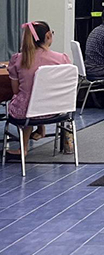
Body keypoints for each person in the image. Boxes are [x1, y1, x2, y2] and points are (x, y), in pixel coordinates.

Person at [6, 22, 71, 157]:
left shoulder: (18, 59)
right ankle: (41, 128)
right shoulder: (62, 59)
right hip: (56, 110)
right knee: (37, 100)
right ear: (48, 36)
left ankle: (23, 148)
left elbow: (16, 91)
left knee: (26, 101)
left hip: (26, 112)